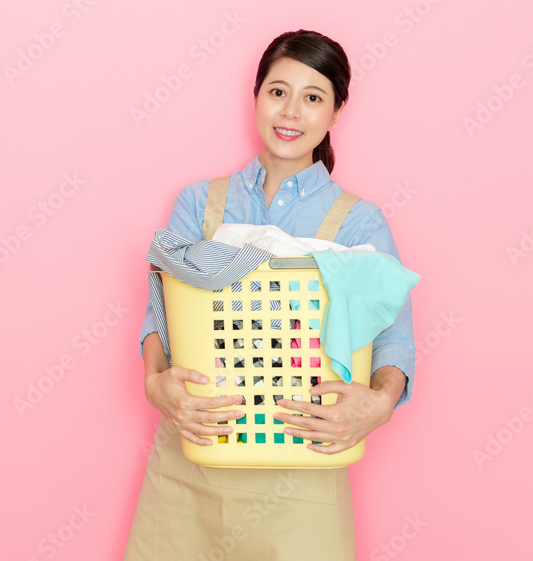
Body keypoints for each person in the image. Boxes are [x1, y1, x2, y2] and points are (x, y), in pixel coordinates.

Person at [123, 29, 416, 560]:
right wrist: (153, 385)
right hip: (197, 452)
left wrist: (379, 404)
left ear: (336, 112)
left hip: (302, 465)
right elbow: (159, 315)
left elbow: (393, 332)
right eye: (278, 91)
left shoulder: (357, 222)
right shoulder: (199, 203)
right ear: (256, 96)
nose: (292, 112)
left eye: (313, 98)